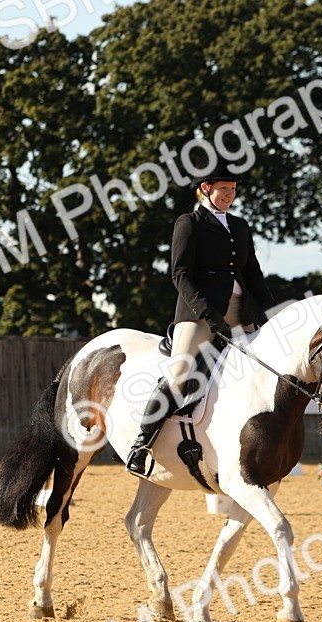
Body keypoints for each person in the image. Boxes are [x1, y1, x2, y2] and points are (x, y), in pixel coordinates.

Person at [125, 165, 277, 477]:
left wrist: (274, 314)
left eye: (233, 190)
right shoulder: (189, 223)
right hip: (198, 313)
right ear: (206, 188)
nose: (230, 195)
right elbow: (180, 273)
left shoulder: (240, 225)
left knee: (267, 369)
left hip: (240, 311)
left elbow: (253, 274)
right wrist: (209, 314)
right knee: (180, 374)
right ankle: (141, 444)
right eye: (224, 189)